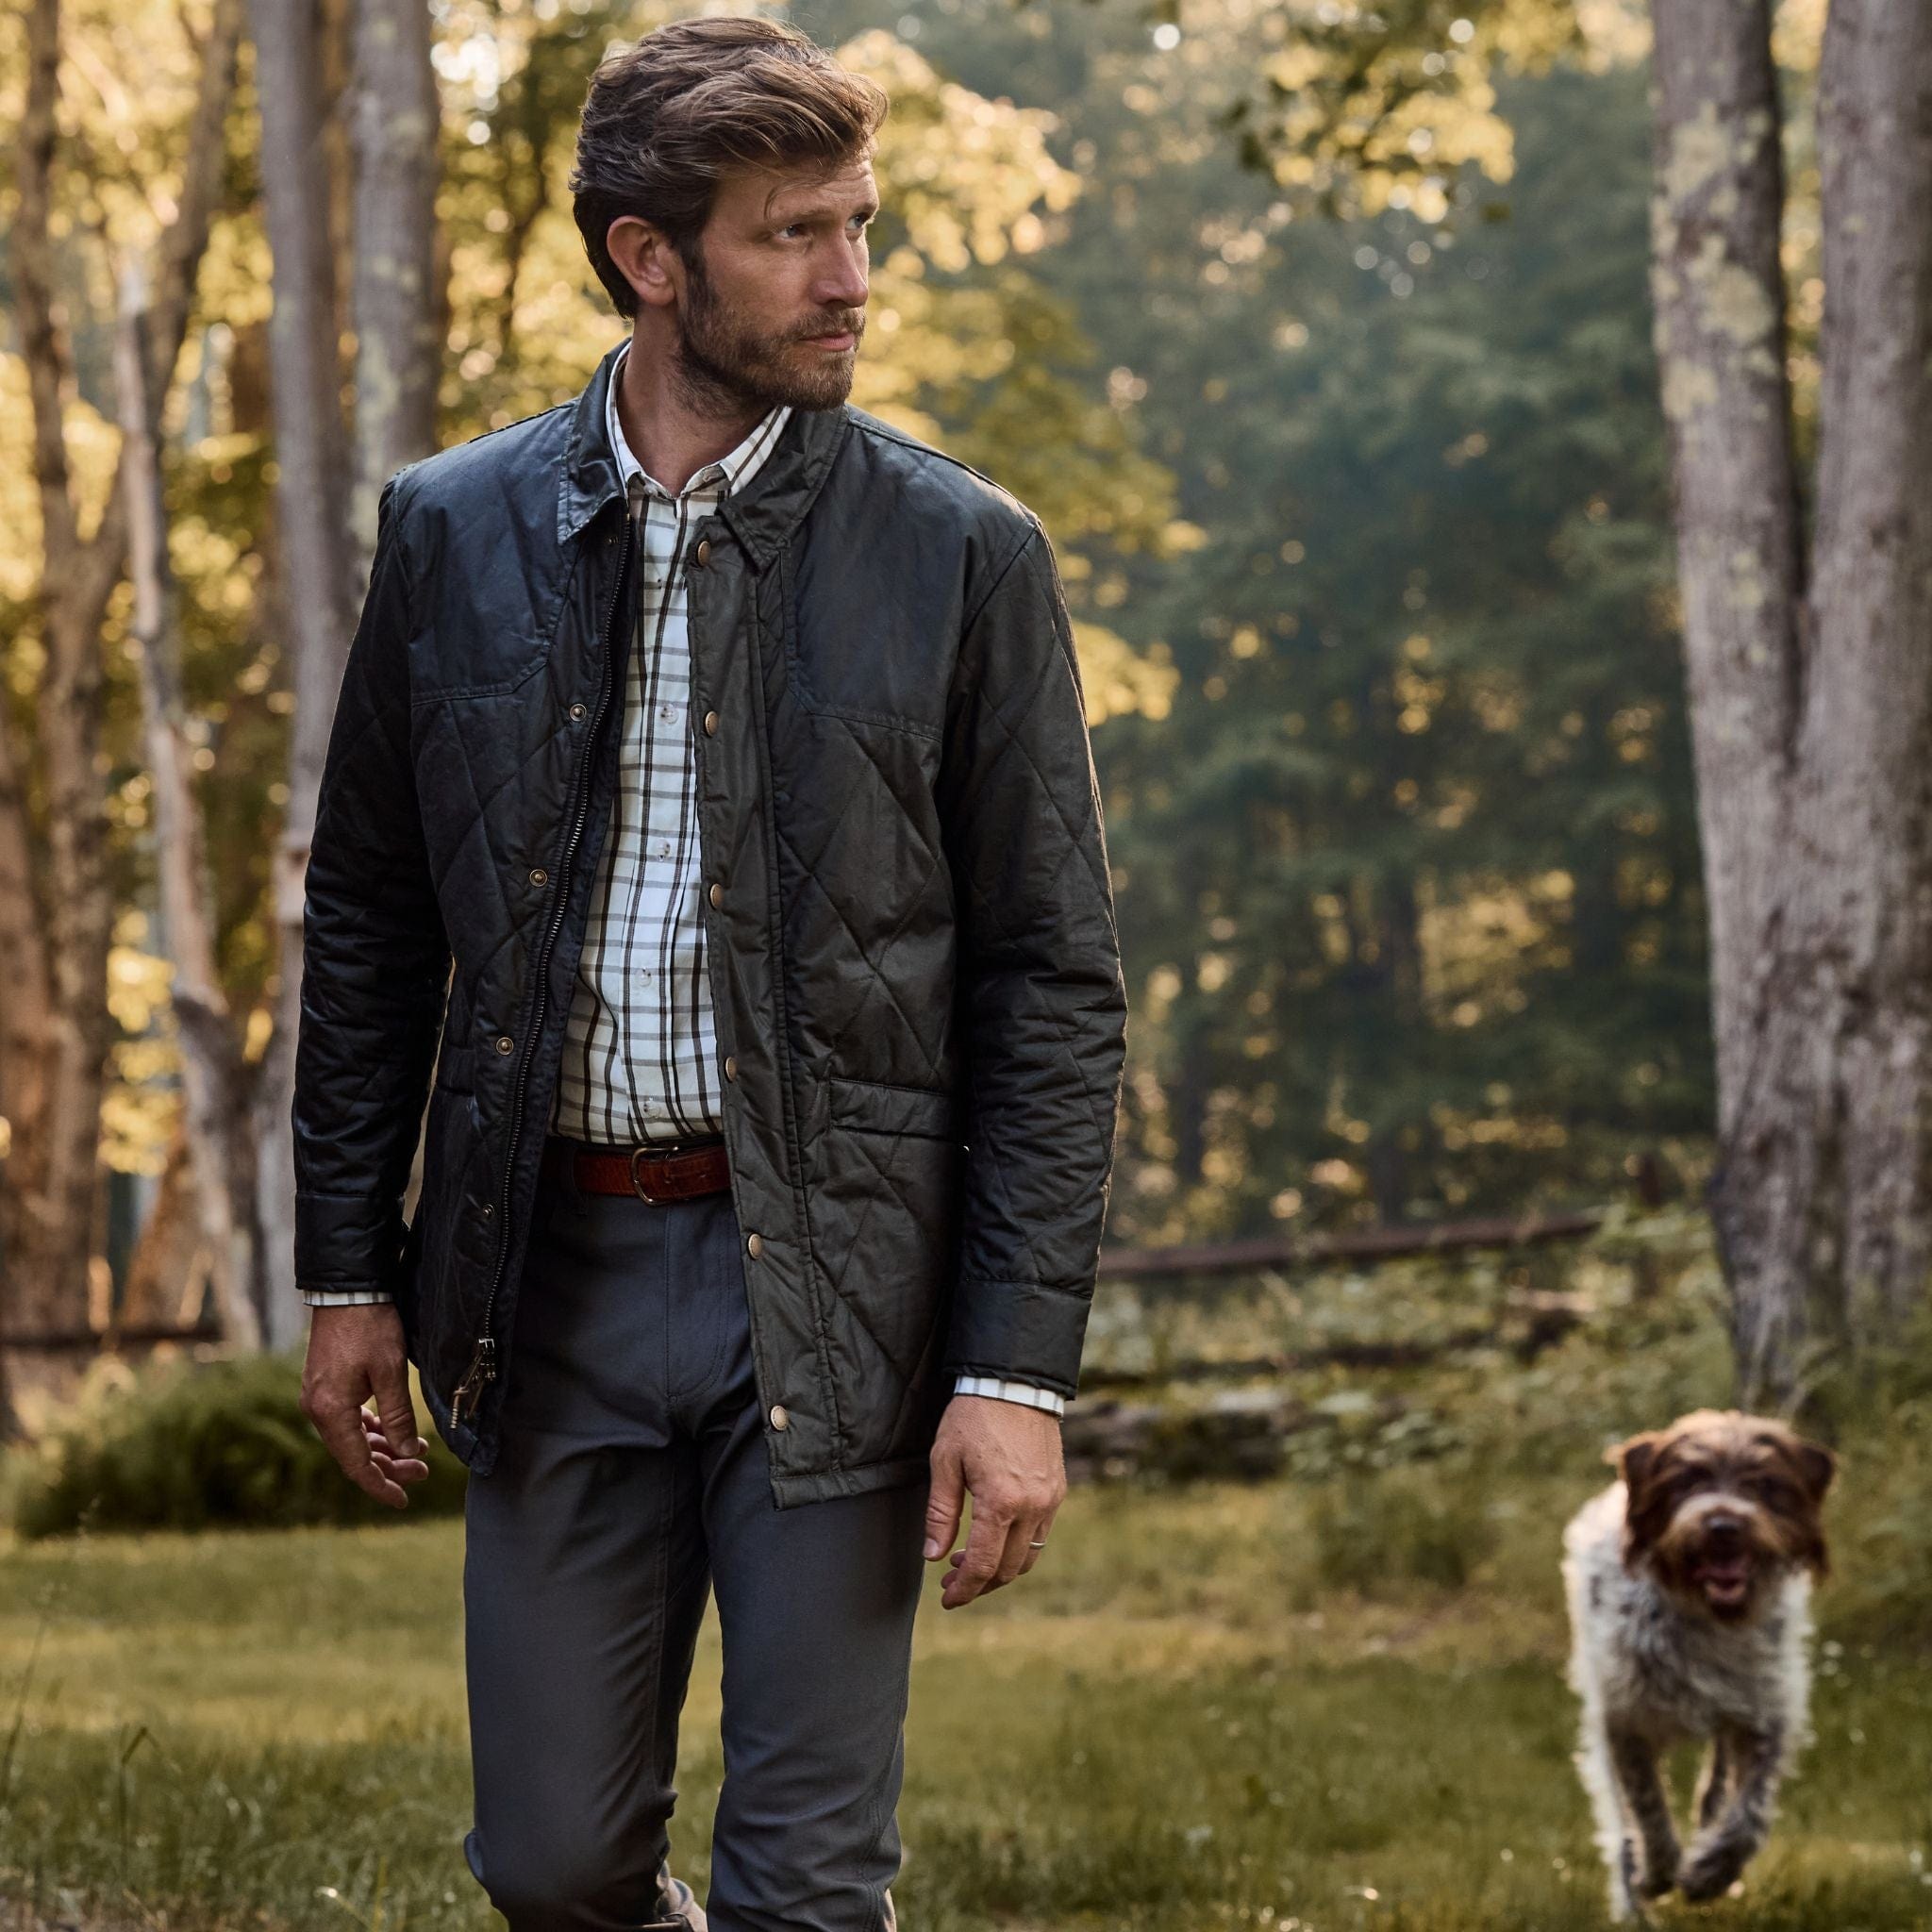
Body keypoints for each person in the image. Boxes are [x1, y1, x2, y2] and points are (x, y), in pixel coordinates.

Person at [291, 17, 1125, 1932]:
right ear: (646, 257)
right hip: (542, 1271)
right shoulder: (451, 530)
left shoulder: (963, 553)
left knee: (806, 1876)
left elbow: (1046, 977)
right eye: (792, 236)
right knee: (556, 1864)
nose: (851, 280)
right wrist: (351, 1264)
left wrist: (1012, 1369)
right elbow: (371, 918)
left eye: (858, 224)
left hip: (832, 1281)